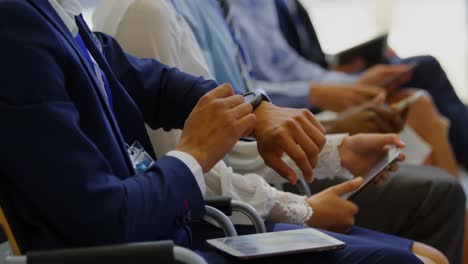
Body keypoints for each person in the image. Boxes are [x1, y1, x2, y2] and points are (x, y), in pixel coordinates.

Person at [0, 0, 443, 263]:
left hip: (186, 229)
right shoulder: (17, 26)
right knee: (415, 255)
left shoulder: (56, 12)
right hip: (165, 247)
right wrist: (197, 155)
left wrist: (257, 108)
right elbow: (107, 221)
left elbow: (154, 83)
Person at [231, 0, 468, 166]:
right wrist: (322, 91)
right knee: (415, 101)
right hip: (274, 111)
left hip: (304, 90)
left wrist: (346, 82)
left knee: (415, 92)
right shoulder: (230, 8)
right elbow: (242, 86)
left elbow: (290, 64)